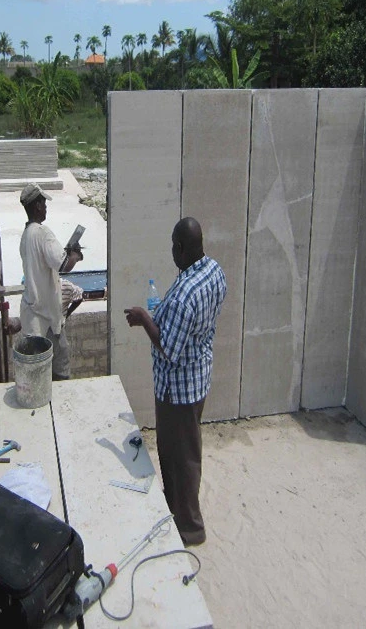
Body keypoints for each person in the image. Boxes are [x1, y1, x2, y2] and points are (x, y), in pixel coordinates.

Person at [124, 217, 226, 546]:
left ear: (181, 248)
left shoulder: (184, 296)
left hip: (177, 390)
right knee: (186, 453)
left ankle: (190, 528)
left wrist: (144, 319)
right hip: (198, 378)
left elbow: (168, 348)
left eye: (172, 245)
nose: (171, 251)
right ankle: (175, 508)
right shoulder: (212, 270)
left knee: (179, 458)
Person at [19, 184, 84, 380]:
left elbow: (48, 263)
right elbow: (64, 264)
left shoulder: (26, 235)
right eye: (44, 203)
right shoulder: (43, 233)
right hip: (46, 320)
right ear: (37, 205)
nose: (46, 207)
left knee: (37, 376)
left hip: (33, 319)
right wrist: (75, 255)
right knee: (60, 373)